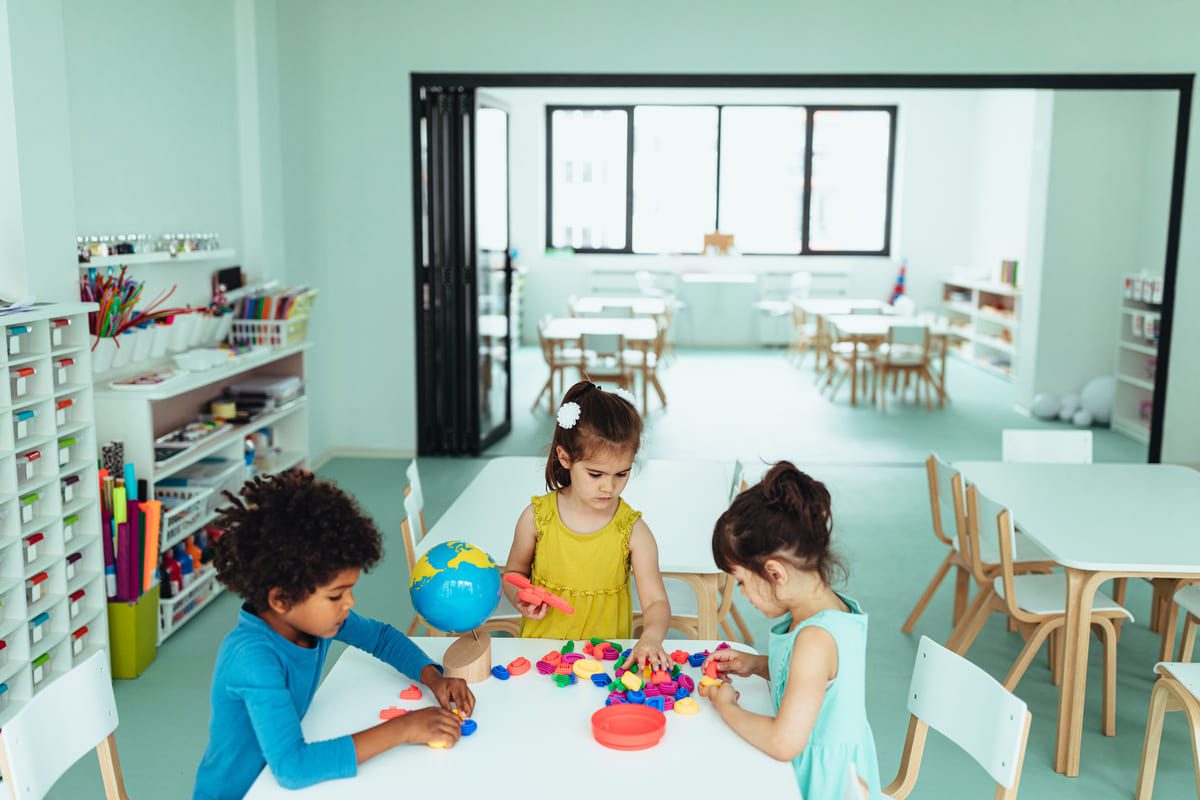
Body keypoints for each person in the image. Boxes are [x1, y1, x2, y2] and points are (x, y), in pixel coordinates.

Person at [194, 472, 472, 799]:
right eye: (336, 595)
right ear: (281, 599)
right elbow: (293, 767)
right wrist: (405, 728)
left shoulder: (317, 621)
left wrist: (433, 678)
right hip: (242, 792)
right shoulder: (252, 658)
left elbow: (381, 638)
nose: (349, 603)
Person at [700, 461, 880, 799]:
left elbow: (783, 742)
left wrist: (727, 707)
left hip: (821, 786)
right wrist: (754, 664)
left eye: (741, 582)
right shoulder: (823, 611)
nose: (741, 594)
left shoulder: (816, 639)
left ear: (775, 573)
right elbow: (809, 683)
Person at [503, 381, 672, 670]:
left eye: (622, 474)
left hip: (604, 665)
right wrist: (520, 596)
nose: (609, 487)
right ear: (564, 457)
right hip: (541, 660)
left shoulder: (633, 530)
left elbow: (656, 602)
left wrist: (652, 638)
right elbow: (513, 574)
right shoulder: (536, 518)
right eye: (596, 474)